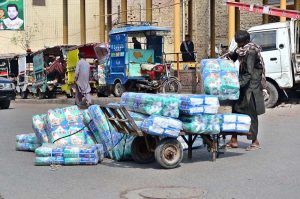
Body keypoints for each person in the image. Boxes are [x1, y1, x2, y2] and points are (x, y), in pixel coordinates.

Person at [226, 30, 266, 151]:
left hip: (251, 87)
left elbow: (248, 73)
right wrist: (230, 54)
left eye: (240, 43)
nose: (238, 45)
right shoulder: (242, 50)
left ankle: (255, 141)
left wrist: (236, 86)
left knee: (251, 114)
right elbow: (235, 56)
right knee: (236, 110)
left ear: (247, 41)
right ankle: (233, 140)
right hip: (244, 84)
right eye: (237, 43)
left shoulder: (251, 51)